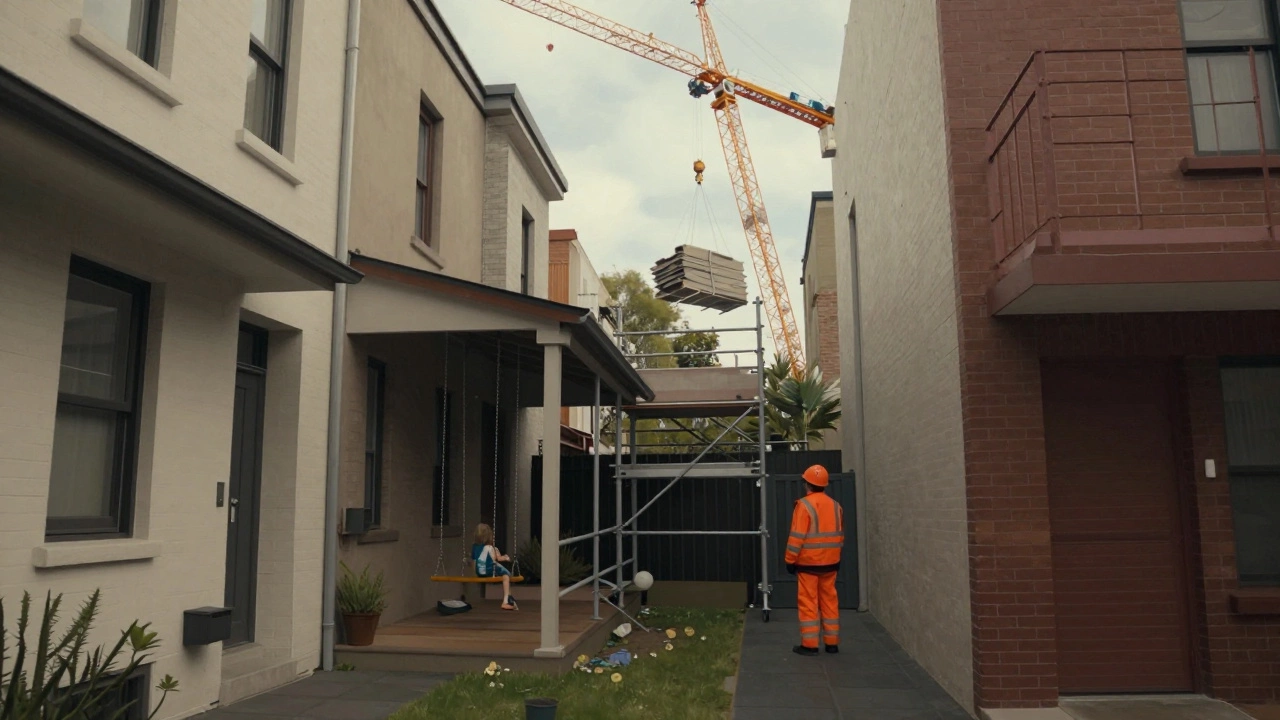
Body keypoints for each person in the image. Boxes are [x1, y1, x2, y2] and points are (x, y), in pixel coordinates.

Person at [784, 465, 843, 656]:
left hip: (808, 564)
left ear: (807, 484)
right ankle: (832, 643)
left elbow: (797, 537)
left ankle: (810, 645)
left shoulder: (804, 506)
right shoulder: (836, 506)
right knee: (829, 602)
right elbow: (839, 535)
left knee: (808, 602)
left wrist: (790, 560)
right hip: (831, 563)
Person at [472, 523, 517, 611]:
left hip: (479, 571)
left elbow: (474, 561)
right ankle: (506, 601)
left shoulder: (474, 547)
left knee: (504, 574)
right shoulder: (489, 547)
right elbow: (495, 560)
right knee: (506, 576)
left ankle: (509, 597)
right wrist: (505, 557)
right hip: (489, 570)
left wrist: (475, 573)